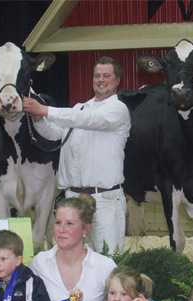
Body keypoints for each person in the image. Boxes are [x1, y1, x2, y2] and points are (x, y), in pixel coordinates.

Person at [23, 56, 131, 255]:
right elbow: (57, 134)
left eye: (106, 76)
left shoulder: (118, 109)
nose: (101, 80)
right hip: (73, 198)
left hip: (105, 199)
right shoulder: (80, 108)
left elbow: (87, 120)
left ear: (117, 81)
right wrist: (38, 119)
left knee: (108, 259)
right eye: (97, 75)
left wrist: (44, 110)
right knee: (75, 257)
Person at [29, 195, 117, 301]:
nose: (61, 229)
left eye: (69, 223)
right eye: (58, 223)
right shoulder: (39, 264)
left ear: (86, 229)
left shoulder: (105, 266)